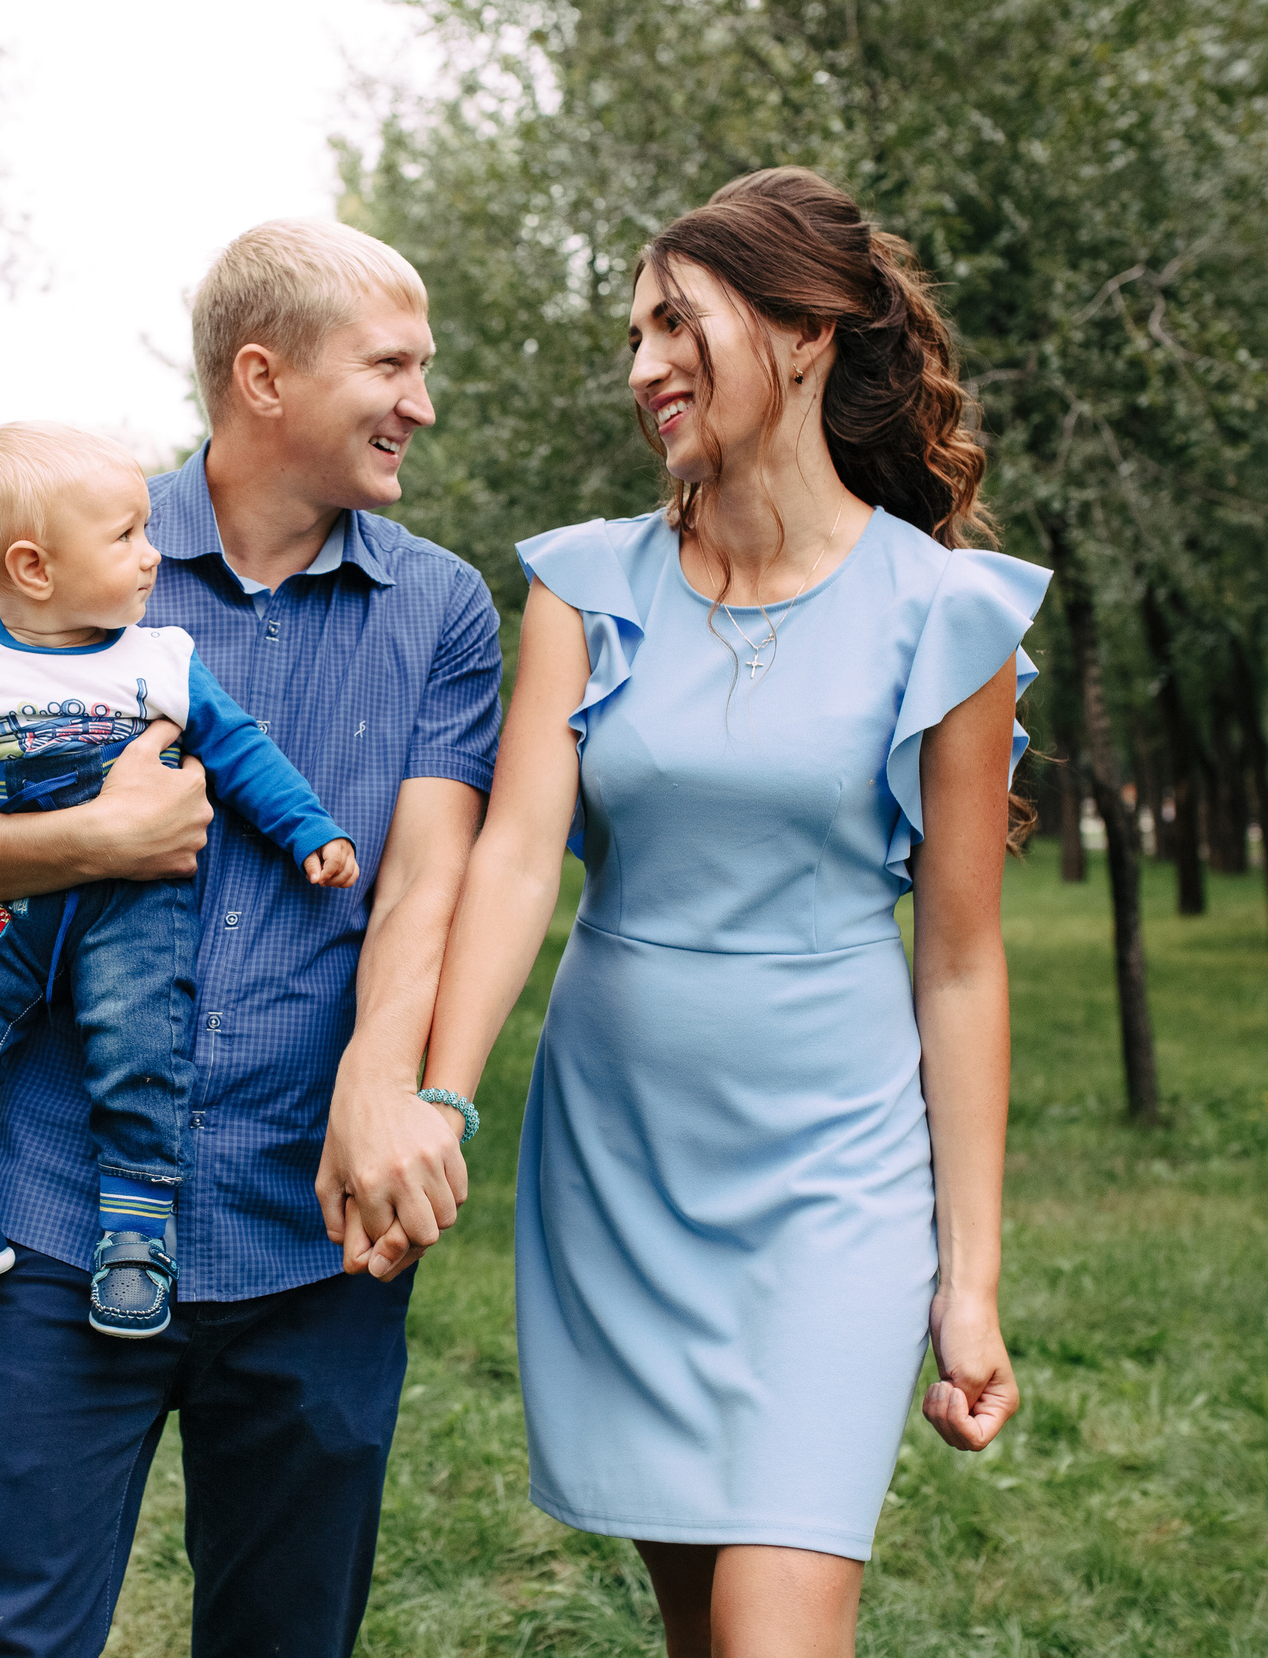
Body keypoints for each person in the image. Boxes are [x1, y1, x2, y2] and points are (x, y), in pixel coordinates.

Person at [0, 219, 501, 1657]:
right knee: (5, 1633)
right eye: (391, 365)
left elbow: (424, 883)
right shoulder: (63, 549)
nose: (421, 405)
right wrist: (91, 841)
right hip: (59, 1212)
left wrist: (389, 1087)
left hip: (313, 1225)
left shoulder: (439, 606)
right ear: (264, 376)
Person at [411, 167, 1039, 1655]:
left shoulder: (945, 613)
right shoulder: (585, 588)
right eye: (634, 331)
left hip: (832, 1174)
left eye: (677, 322)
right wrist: (441, 1090)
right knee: (704, 1629)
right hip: (620, 1162)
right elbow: (513, 861)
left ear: (809, 331)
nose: (644, 366)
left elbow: (957, 962)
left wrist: (972, 1280)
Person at [0, 420, 359, 1339]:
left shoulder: (156, 658)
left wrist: (308, 829)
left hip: (134, 910)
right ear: (34, 569)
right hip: (17, 902)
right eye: (125, 537)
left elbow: (241, 752)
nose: (154, 555)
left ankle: (135, 1234)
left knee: (136, 1049)